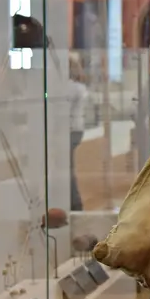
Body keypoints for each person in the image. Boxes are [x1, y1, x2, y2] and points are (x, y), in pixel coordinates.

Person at [68, 55, 89, 211]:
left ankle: (75, 204)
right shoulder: (80, 87)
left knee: (67, 169)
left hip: (69, 130)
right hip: (76, 129)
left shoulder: (70, 87)